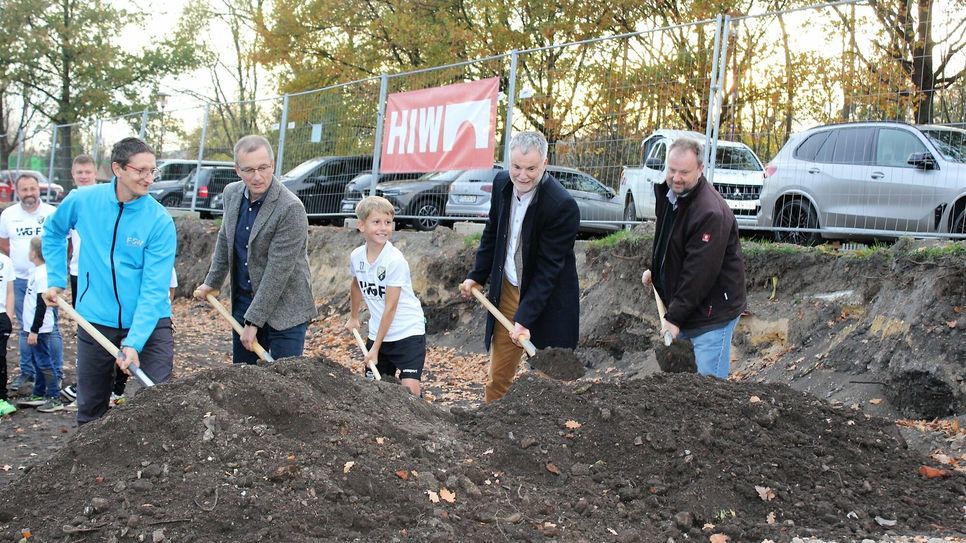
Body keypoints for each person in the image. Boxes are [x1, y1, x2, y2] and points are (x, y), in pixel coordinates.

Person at [42, 137, 176, 424]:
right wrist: (56, 277)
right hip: (95, 318)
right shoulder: (83, 200)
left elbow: (154, 290)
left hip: (150, 322)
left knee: (162, 401)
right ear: (118, 169)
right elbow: (53, 231)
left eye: (153, 171)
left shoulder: (159, 221)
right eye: (141, 170)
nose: (148, 178)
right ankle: (86, 466)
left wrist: (134, 342)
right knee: (90, 407)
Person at [459, 131, 580, 403]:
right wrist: (476, 276)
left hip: (548, 300)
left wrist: (524, 319)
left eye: (531, 168)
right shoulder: (502, 184)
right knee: (498, 376)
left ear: (545, 163)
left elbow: (549, 270)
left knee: (551, 380)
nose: (522, 175)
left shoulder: (561, 205)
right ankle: (491, 426)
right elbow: (493, 232)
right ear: (507, 163)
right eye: (516, 167)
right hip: (510, 291)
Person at [193, 135, 316, 364]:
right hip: (244, 304)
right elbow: (225, 239)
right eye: (249, 170)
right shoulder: (232, 194)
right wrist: (213, 282)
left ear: (273, 165)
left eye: (263, 168)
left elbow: (278, 271)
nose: (257, 177)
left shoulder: (290, 208)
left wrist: (254, 323)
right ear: (237, 170)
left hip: (285, 311)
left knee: (281, 385)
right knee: (245, 385)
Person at [640, 137, 747, 379]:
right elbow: (671, 242)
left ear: (700, 169)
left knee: (709, 388)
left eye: (684, 172)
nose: (676, 178)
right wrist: (657, 272)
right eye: (672, 170)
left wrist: (674, 317)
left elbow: (699, 273)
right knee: (685, 388)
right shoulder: (672, 196)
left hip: (711, 314)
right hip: (689, 308)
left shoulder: (710, 212)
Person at [346, 196, 426, 396]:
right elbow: (356, 285)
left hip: (407, 331)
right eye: (376, 222)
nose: (383, 228)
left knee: (410, 391)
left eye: (388, 223)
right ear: (361, 225)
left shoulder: (394, 260)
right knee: (373, 390)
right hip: (378, 332)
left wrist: (375, 349)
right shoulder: (357, 256)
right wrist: (354, 316)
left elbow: (390, 307)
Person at [0, 173, 63, 392]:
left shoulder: (52, 213)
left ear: (39, 189)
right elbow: (5, 245)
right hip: (20, 279)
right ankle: (28, 372)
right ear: (18, 192)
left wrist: (53, 270)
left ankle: (56, 373)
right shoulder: (8, 215)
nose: (29, 193)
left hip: (48, 281)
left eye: (32, 189)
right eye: (24, 190)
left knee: (50, 327)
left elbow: (65, 243)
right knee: (26, 327)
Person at [59, 154, 99, 405]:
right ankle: (86, 381)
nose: (83, 176)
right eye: (79, 173)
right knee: (83, 327)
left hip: (101, 273)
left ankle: (112, 384)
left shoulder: (103, 198)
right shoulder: (71, 200)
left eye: (87, 172)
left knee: (103, 325)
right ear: (73, 175)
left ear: (95, 173)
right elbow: (62, 236)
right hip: (77, 273)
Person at [17, 237, 62, 412]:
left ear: (34, 253)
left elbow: (42, 305)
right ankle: (39, 393)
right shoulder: (36, 271)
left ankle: (54, 396)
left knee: (43, 361)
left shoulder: (43, 274)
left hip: (40, 328)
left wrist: (34, 330)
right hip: (33, 326)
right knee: (37, 359)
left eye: (29, 250)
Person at [0, 251, 15, 415]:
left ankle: (1, 398)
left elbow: (10, 292)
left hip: (1, 317)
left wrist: (9, 317)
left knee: (0, 358)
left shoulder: (5, 261)